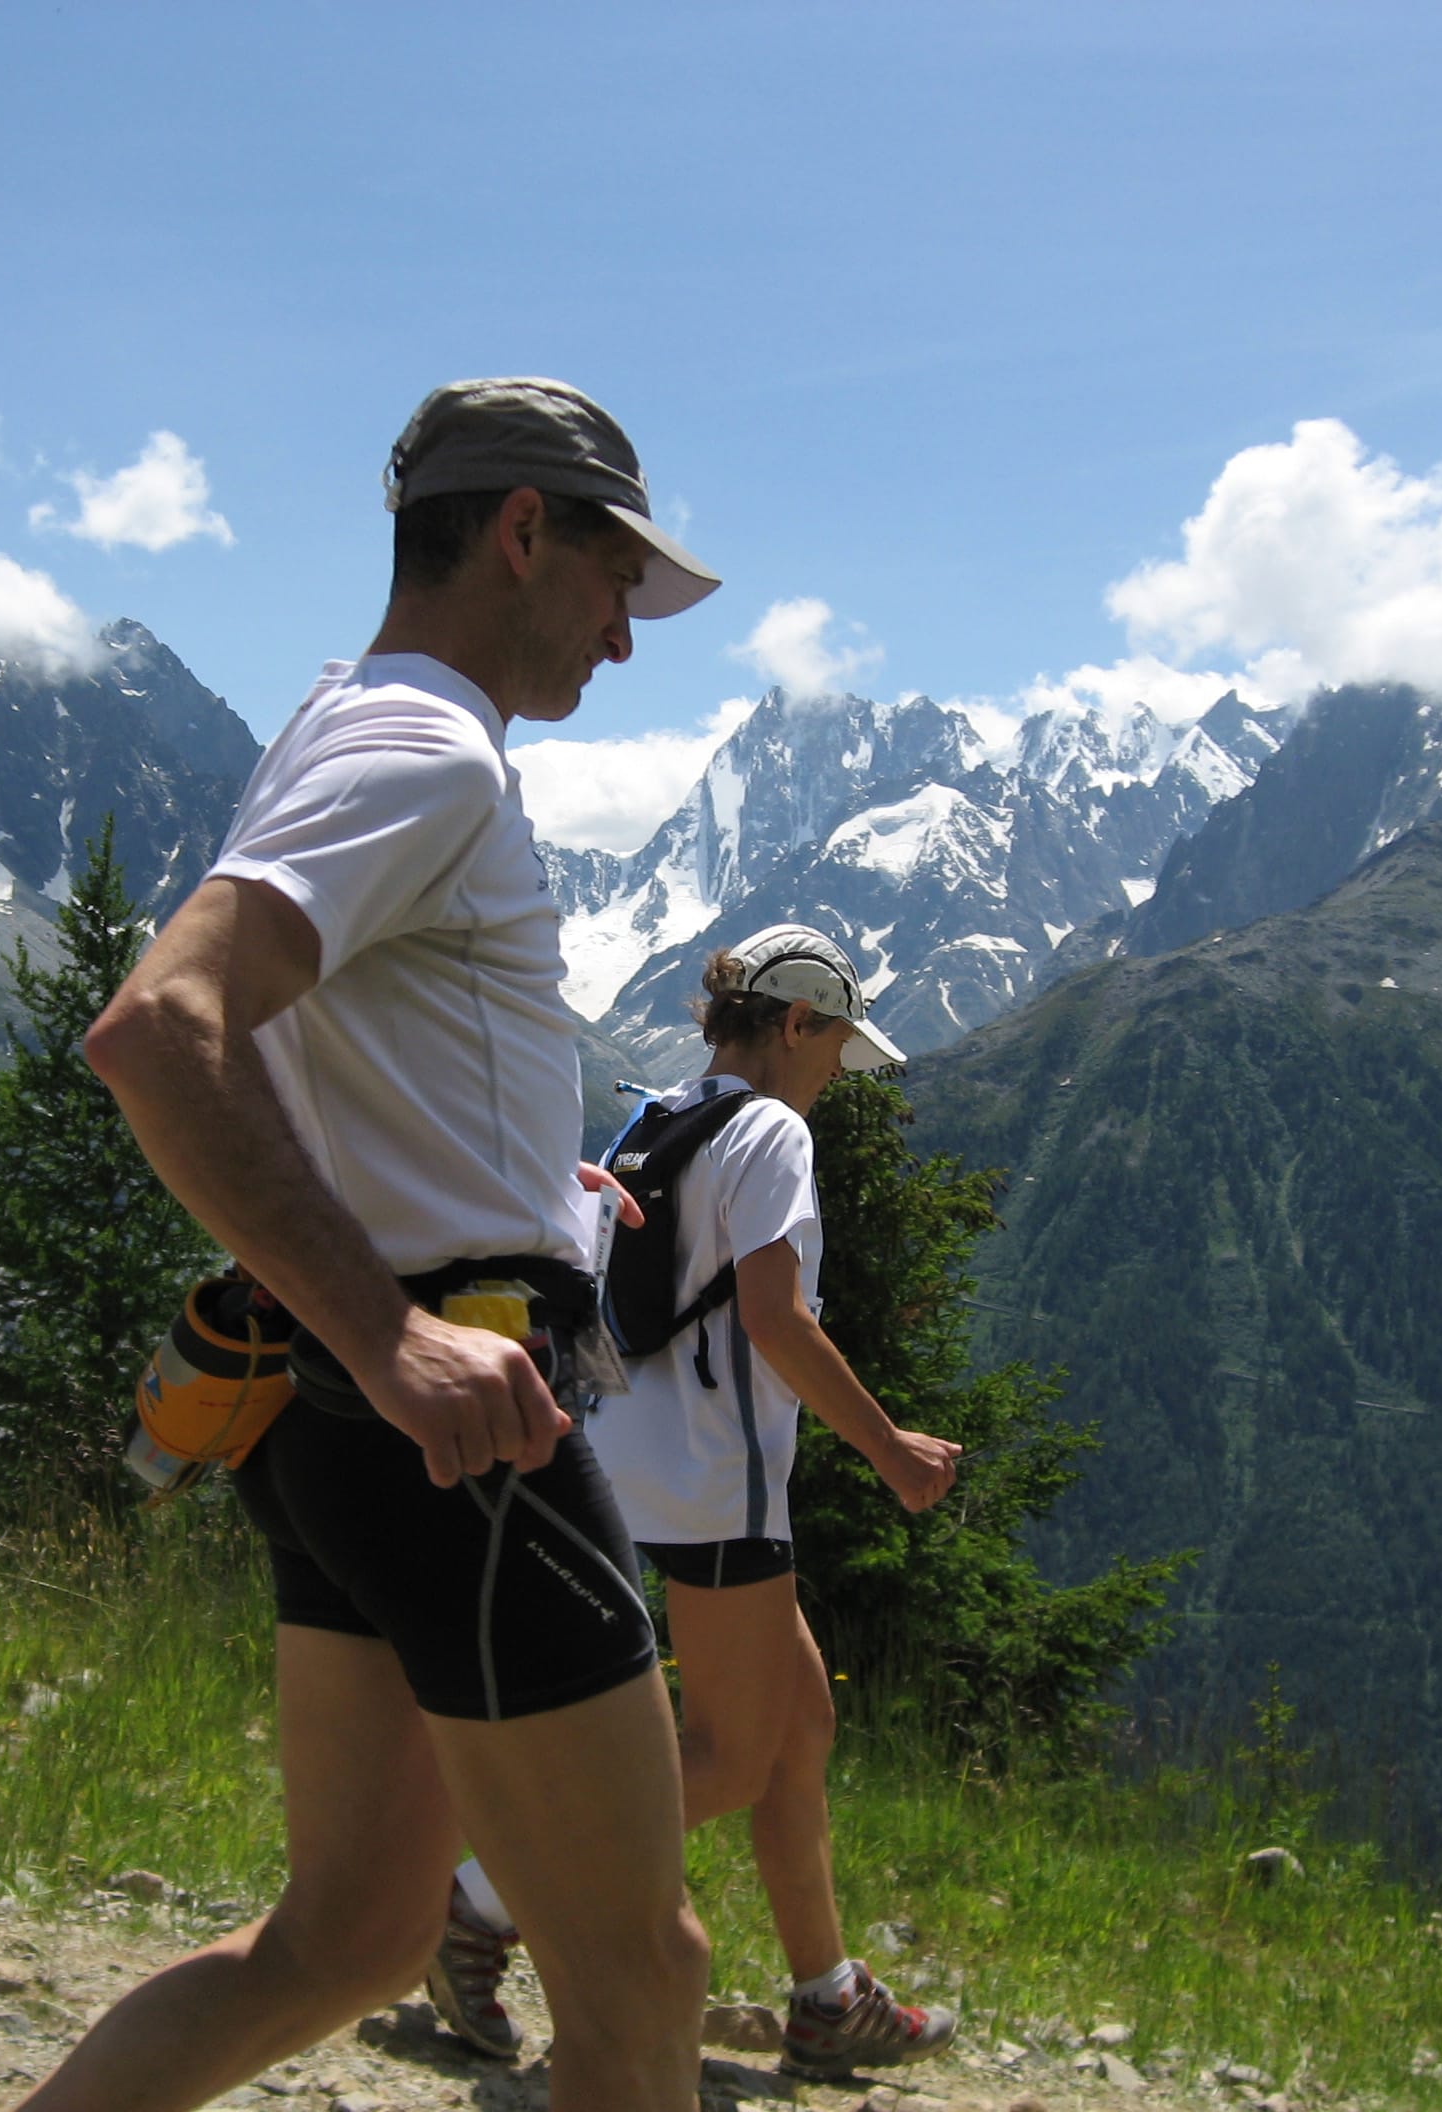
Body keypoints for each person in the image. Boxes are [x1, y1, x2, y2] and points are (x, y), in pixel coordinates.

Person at [50, 378, 722, 2112]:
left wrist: (533, 1192)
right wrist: (397, 1336)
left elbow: (334, 1057)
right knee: (643, 1974)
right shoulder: (425, 748)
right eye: (611, 581)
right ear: (520, 530)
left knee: (345, 1940)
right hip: (459, 1433)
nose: (621, 641)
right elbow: (161, 1027)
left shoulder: (341, 721)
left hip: (340, 1426)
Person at [428, 925, 966, 2083]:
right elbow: (775, 1318)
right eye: (833, 1052)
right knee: (728, 1754)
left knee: (800, 1717)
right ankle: (473, 1907)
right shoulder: (770, 1130)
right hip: (720, 1484)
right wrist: (889, 1450)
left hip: (626, 1460)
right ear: (792, 1026)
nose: (835, 1080)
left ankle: (824, 1997)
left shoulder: (651, 1117)